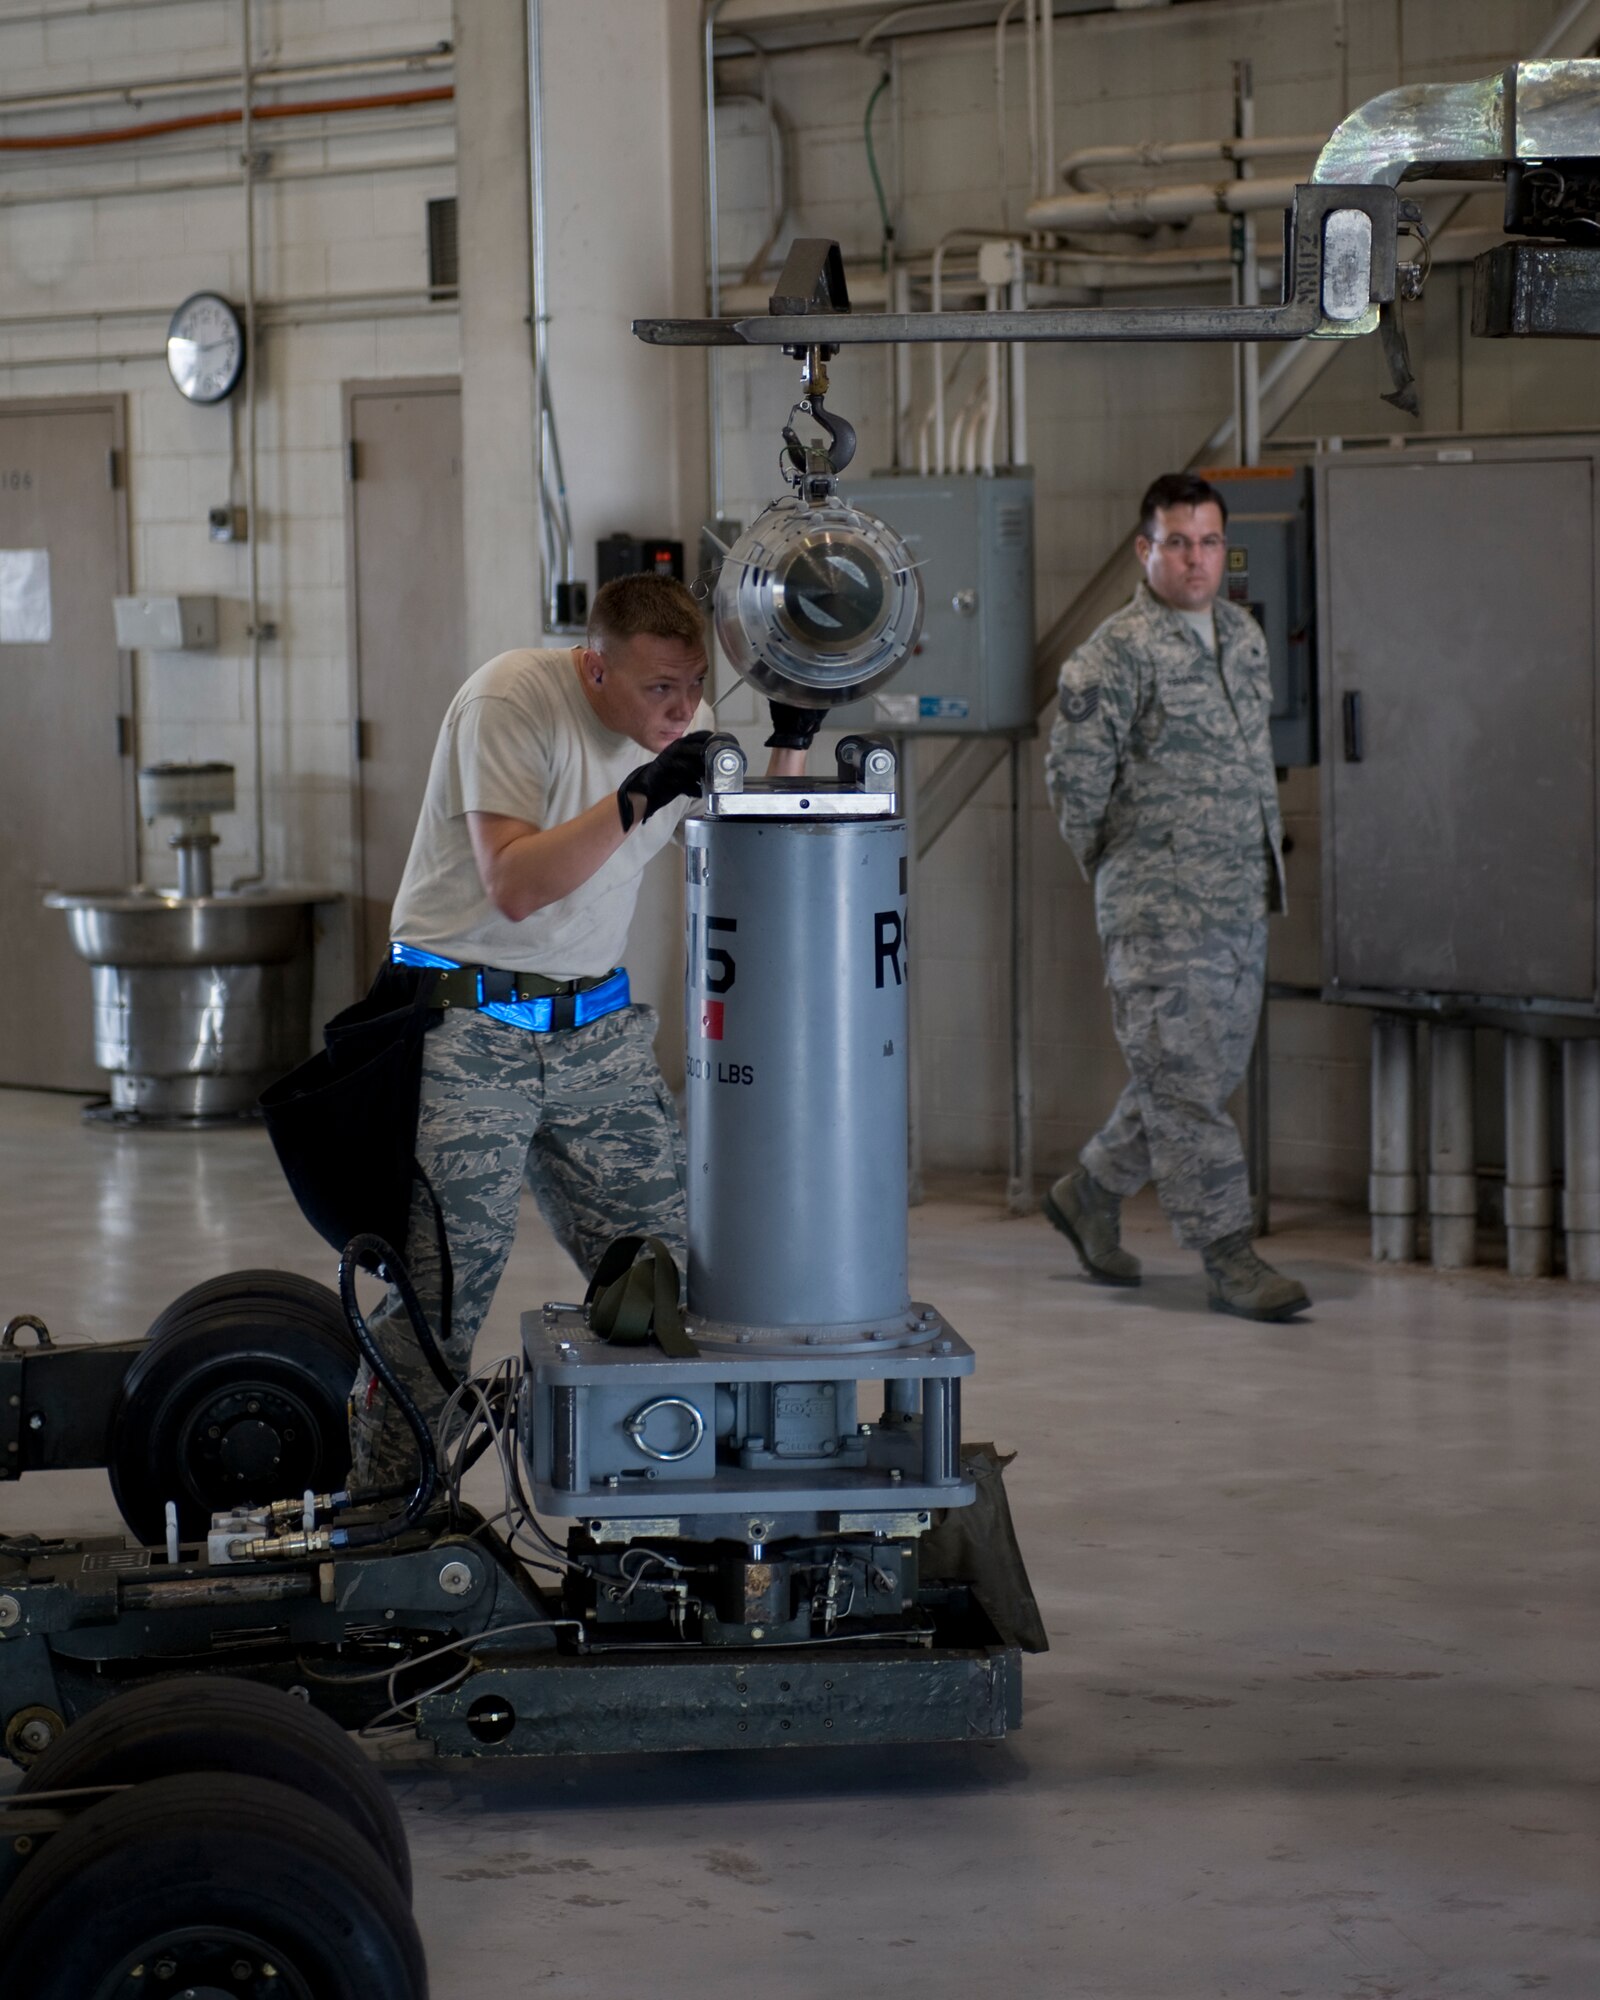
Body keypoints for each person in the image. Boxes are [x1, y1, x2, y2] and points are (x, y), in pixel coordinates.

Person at [350, 573, 821, 1484]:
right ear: (592, 667)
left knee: (671, 1278)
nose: (681, 710)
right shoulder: (511, 700)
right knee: (443, 1296)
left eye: (692, 688)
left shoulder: (676, 731)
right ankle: (382, 1507)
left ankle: (657, 1482)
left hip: (592, 1029)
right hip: (466, 1018)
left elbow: (756, 852)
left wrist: (792, 745)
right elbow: (515, 885)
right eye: (658, 690)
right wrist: (638, 798)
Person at [1042, 472, 1310, 1322]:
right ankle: (1230, 1257)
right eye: (1177, 543)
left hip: (1238, 897)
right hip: (1161, 908)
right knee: (1186, 1088)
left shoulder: (1241, 634)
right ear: (1144, 549)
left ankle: (1092, 1190)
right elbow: (1073, 786)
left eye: (1207, 543)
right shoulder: (1114, 654)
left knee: (1193, 1074)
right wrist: (1131, 875)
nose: (1196, 560)